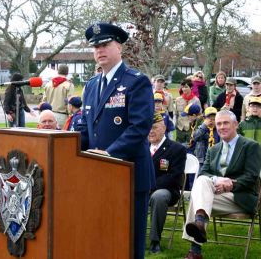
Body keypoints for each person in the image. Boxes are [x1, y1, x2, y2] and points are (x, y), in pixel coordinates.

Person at [80, 22, 155, 259]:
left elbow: (139, 127)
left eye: (105, 44)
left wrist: (110, 154)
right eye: (95, 47)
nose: (99, 50)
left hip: (128, 174)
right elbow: (85, 127)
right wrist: (63, 148)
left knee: (128, 244)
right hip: (97, 174)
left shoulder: (136, 81)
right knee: (102, 239)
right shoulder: (91, 85)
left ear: (119, 47)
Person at [182, 110, 261, 259]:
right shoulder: (213, 149)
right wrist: (217, 180)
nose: (222, 127)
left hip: (240, 198)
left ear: (236, 124)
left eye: (226, 123)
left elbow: (252, 177)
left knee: (198, 197)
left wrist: (231, 184)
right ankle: (199, 226)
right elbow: (203, 173)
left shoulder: (251, 146)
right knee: (202, 184)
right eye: (219, 124)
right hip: (216, 196)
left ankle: (195, 250)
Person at [148, 112, 186, 254]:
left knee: (159, 196)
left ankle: (154, 241)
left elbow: (174, 176)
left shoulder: (177, 149)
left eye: (155, 127)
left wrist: (150, 186)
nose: (151, 131)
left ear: (164, 128)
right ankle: (127, 237)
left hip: (167, 190)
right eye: (148, 128)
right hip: (143, 190)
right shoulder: (141, 148)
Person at [175, 79, 202, 145]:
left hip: (191, 128)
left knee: (190, 147)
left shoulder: (196, 100)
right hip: (180, 128)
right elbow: (176, 114)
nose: (184, 89)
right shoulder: (178, 100)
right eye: (183, 87)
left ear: (191, 87)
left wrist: (195, 118)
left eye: (186, 87)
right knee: (178, 148)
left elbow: (200, 115)